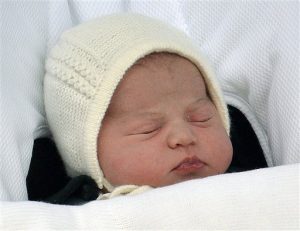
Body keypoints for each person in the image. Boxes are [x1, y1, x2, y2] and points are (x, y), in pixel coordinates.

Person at [42, 13, 233, 201]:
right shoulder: (73, 219)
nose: (184, 137)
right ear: (88, 153)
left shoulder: (256, 185)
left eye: (201, 117)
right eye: (148, 129)